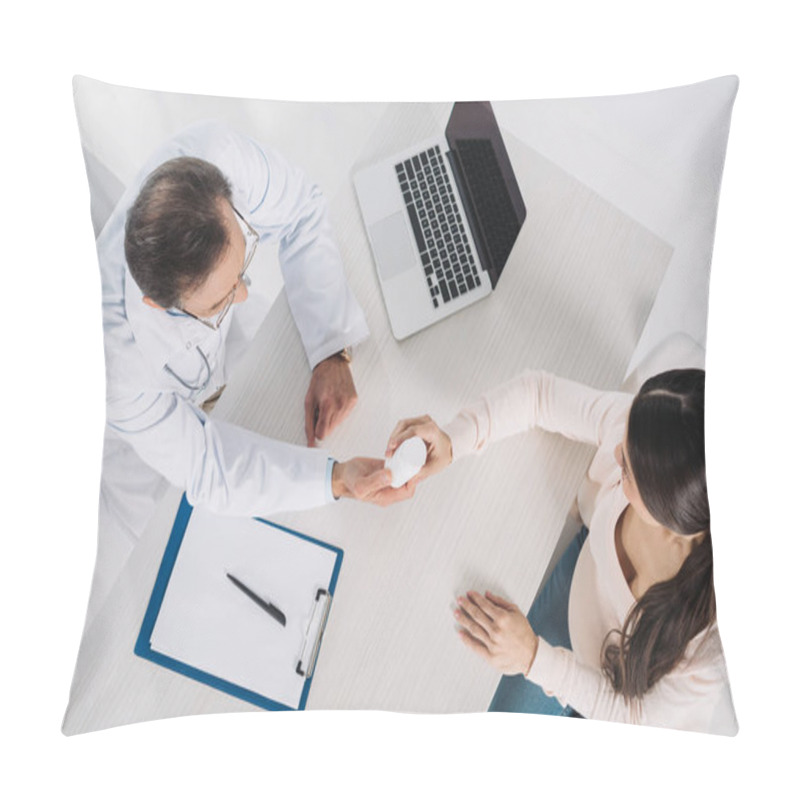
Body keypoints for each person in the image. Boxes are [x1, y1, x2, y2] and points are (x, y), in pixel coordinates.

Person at [90, 120, 393, 621]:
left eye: (241, 268)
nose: (246, 293)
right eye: (223, 296)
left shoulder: (216, 160)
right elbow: (210, 467)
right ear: (159, 305)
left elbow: (301, 208)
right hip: (140, 444)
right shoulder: (115, 365)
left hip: (228, 367)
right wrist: (334, 480)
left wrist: (329, 348)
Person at [385, 368, 737, 734]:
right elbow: (539, 395)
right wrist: (454, 440)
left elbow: (638, 721)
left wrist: (532, 658)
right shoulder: (637, 435)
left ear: (669, 515)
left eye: (628, 469)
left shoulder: (713, 641)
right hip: (574, 617)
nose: (615, 451)